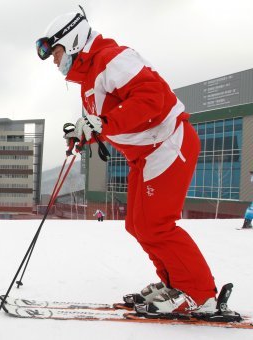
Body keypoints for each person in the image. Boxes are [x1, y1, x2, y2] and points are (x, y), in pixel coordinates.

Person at [36, 7, 219, 315]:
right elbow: (110, 121)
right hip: (145, 155)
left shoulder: (113, 58)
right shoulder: (89, 80)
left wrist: (102, 123)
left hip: (168, 144)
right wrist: (85, 133)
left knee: (155, 225)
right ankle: (175, 283)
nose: (54, 60)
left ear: (73, 41)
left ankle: (199, 294)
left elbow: (150, 99)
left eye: (55, 51)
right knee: (137, 226)